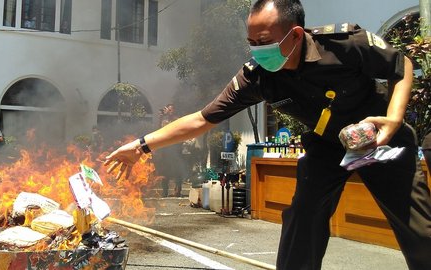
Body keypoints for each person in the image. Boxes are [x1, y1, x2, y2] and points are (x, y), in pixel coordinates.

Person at [103, 0, 431, 269]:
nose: (258, 51)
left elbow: (399, 65)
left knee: (417, 227)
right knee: (302, 217)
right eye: (251, 43)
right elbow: (202, 119)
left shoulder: (344, 44)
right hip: (328, 148)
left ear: (296, 34)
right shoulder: (257, 78)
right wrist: (142, 146)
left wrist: (393, 119)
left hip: (379, 138)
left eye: (265, 42)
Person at [155, 104, 184, 197]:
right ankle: (164, 192)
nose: (169, 111)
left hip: (176, 148)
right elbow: (159, 130)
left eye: (171, 110)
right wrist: (161, 117)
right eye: (168, 109)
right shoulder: (164, 120)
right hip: (165, 149)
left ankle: (177, 191)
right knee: (164, 171)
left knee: (177, 171)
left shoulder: (177, 119)